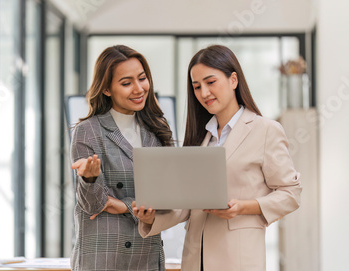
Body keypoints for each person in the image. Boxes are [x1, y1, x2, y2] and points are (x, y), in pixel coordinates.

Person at [133, 45, 302, 271]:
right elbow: (188, 205)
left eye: (211, 82)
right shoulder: (201, 137)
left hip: (238, 260)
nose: (204, 93)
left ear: (233, 80)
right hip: (196, 258)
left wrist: (243, 207)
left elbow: (291, 194)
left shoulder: (265, 130)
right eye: (197, 87)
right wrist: (150, 217)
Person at [70, 45, 173, 270]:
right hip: (104, 258)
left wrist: (123, 205)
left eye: (142, 78)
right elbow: (93, 205)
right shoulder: (88, 130)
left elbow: (167, 201)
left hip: (146, 254)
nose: (138, 89)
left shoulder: (156, 129)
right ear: (106, 89)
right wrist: (90, 179)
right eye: (126, 83)